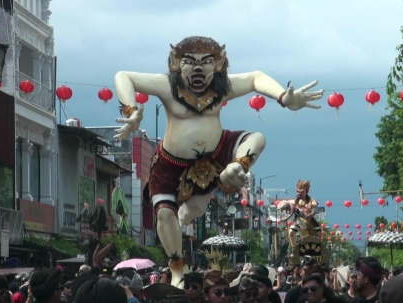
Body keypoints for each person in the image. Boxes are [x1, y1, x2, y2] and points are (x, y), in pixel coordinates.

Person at [113, 36, 323, 287]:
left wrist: (282, 97)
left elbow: (256, 77)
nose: (198, 68)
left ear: (218, 64)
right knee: (166, 216)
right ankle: (178, 269)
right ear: (177, 64)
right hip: (170, 164)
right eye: (190, 62)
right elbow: (123, 76)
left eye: (206, 62)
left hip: (215, 156)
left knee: (257, 138)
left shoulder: (221, 87)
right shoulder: (168, 86)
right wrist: (130, 109)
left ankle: (237, 165)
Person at [287, 180, 322, 251]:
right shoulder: (294, 201)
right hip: (299, 220)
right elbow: (288, 205)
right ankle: (295, 250)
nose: (300, 193)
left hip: (309, 220)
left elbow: (316, 209)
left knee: (319, 233)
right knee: (291, 233)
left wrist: (311, 214)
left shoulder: (311, 201)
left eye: (302, 192)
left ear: (306, 191)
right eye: (298, 191)